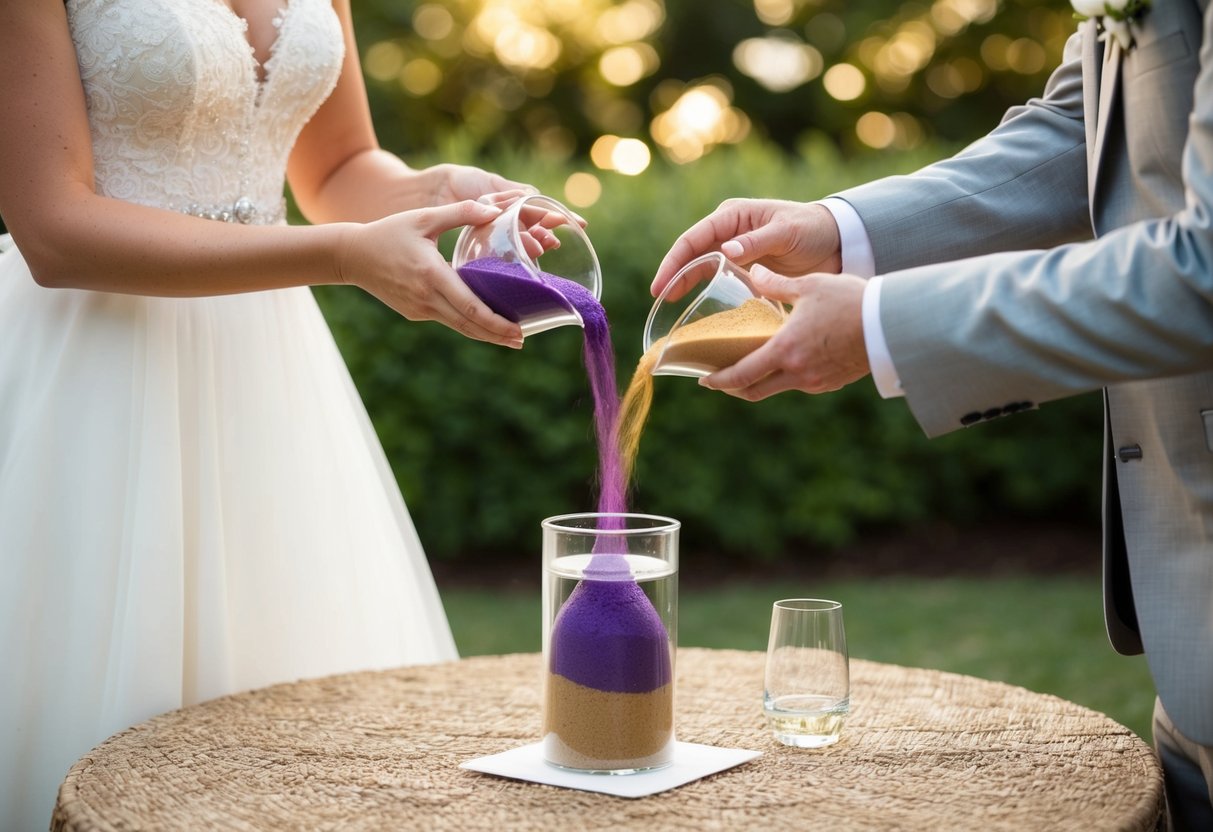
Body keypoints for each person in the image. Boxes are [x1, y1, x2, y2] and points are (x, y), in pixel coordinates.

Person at [655, 1, 1213, 828]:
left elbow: (1200, 270)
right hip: (1189, 624)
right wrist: (839, 229)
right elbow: (1081, 132)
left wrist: (883, 326)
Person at [0, 2, 536, 828]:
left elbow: (339, 170)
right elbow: (54, 229)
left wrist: (446, 192)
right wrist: (342, 258)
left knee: (300, 744)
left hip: (274, 375)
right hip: (98, 369)